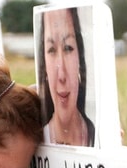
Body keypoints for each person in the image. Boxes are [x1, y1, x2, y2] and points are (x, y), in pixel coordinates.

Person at [38, 7, 96, 146]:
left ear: (80, 59)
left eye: (68, 48)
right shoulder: (36, 145)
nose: (61, 75)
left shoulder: (98, 137)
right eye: (51, 50)